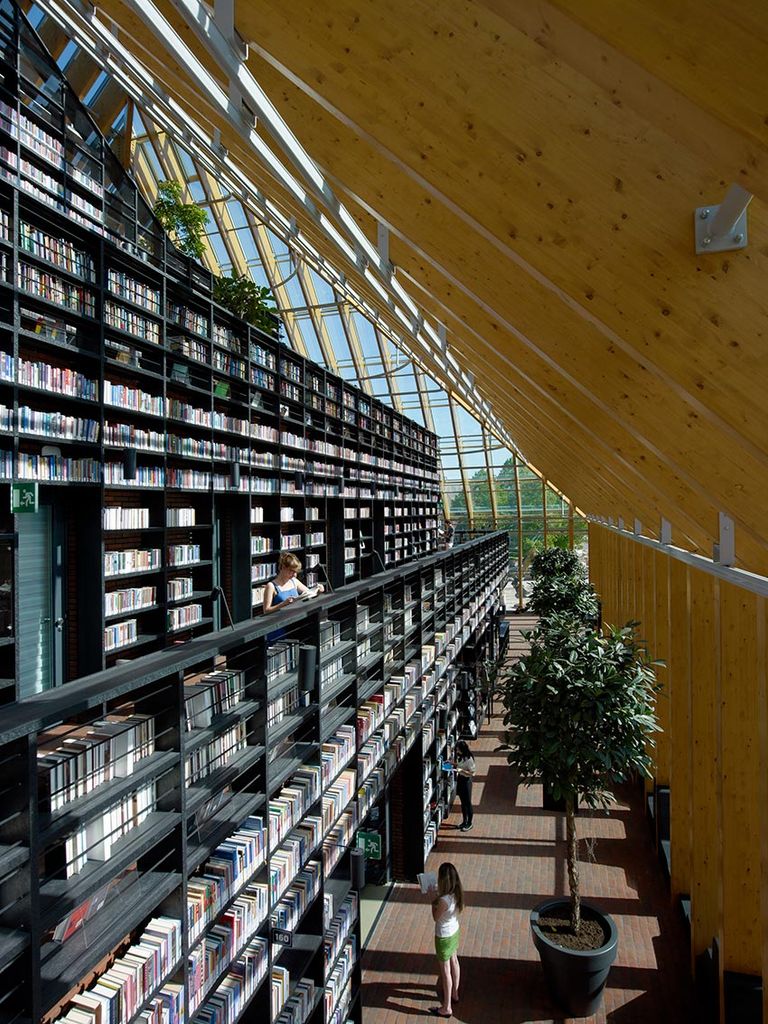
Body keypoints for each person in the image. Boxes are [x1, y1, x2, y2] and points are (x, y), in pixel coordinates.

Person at [429, 861, 464, 1017]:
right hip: (454, 931)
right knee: (454, 961)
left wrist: (433, 902)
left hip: (443, 936)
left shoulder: (443, 900)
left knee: (445, 972)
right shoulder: (457, 894)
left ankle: (447, 1007)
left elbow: (436, 918)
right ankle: (455, 993)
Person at [455, 740, 477, 832]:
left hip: (466, 781)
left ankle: (469, 823)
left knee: (467, 803)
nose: (456, 751)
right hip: (460, 780)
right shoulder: (461, 757)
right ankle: (464, 821)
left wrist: (460, 771)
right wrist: (453, 764)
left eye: (458, 749)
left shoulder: (469, 759)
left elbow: (472, 773)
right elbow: (460, 766)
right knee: (463, 803)